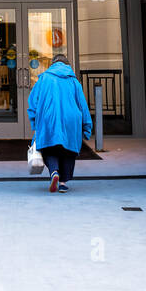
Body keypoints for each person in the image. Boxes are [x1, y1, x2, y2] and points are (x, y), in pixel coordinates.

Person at [26, 52, 92, 193]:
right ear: (67, 65)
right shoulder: (74, 81)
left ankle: (54, 172)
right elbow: (82, 105)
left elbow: (33, 103)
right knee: (68, 150)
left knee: (50, 147)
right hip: (71, 120)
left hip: (49, 118)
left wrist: (34, 122)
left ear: (52, 65)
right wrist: (87, 127)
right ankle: (62, 183)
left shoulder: (44, 79)